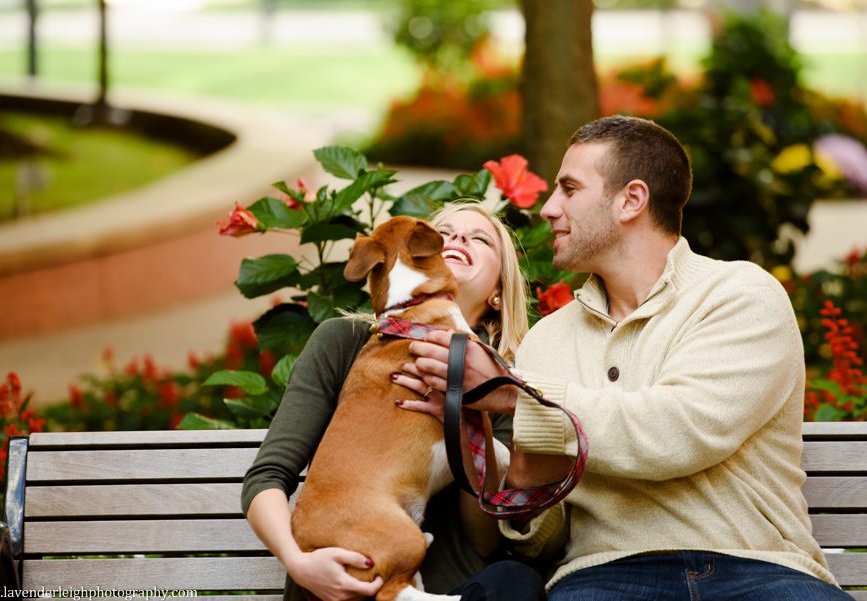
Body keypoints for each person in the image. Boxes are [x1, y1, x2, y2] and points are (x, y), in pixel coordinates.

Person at [401, 116, 854, 600]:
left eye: (569, 189)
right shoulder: (549, 340)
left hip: (760, 570)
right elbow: (545, 540)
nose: (549, 208)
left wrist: (516, 396)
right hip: (604, 576)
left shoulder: (740, 294)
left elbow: (680, 431)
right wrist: (520, 482)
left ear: (631, 200)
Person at [241, 200, 546, 601]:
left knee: (516, 581)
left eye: (479, 238)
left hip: (451, 585)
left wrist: (467, 416)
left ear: (498, 291)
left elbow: (485, 539)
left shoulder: (503, 383)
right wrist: (298, 563)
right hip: (340, 584)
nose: (457, 239)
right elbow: (266, 476)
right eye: (447, 231)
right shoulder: (345, 342)